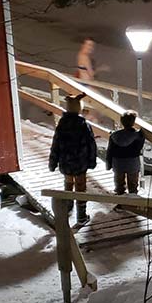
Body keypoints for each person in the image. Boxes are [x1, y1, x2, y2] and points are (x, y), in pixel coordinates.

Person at [48, 94, 97, 223]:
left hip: (66, 163)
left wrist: (53, 162)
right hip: (81, 163)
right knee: (81, 188)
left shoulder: (62, 125)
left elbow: (56, 144)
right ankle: (81, 216)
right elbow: (91, 144)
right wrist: (92, 161)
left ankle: (67, 210)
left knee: (68, 185)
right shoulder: (84, 125)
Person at [106, 111, 146, 195]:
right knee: (133, 186)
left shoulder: (114, 136)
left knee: (119, 185)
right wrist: (142, 133)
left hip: (118, 163)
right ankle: (132, 201)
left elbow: (110, 151)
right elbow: (139, 148)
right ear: (134, 122)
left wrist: (108, 164)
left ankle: (120, 200)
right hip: (132, 162)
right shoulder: (137, 136)